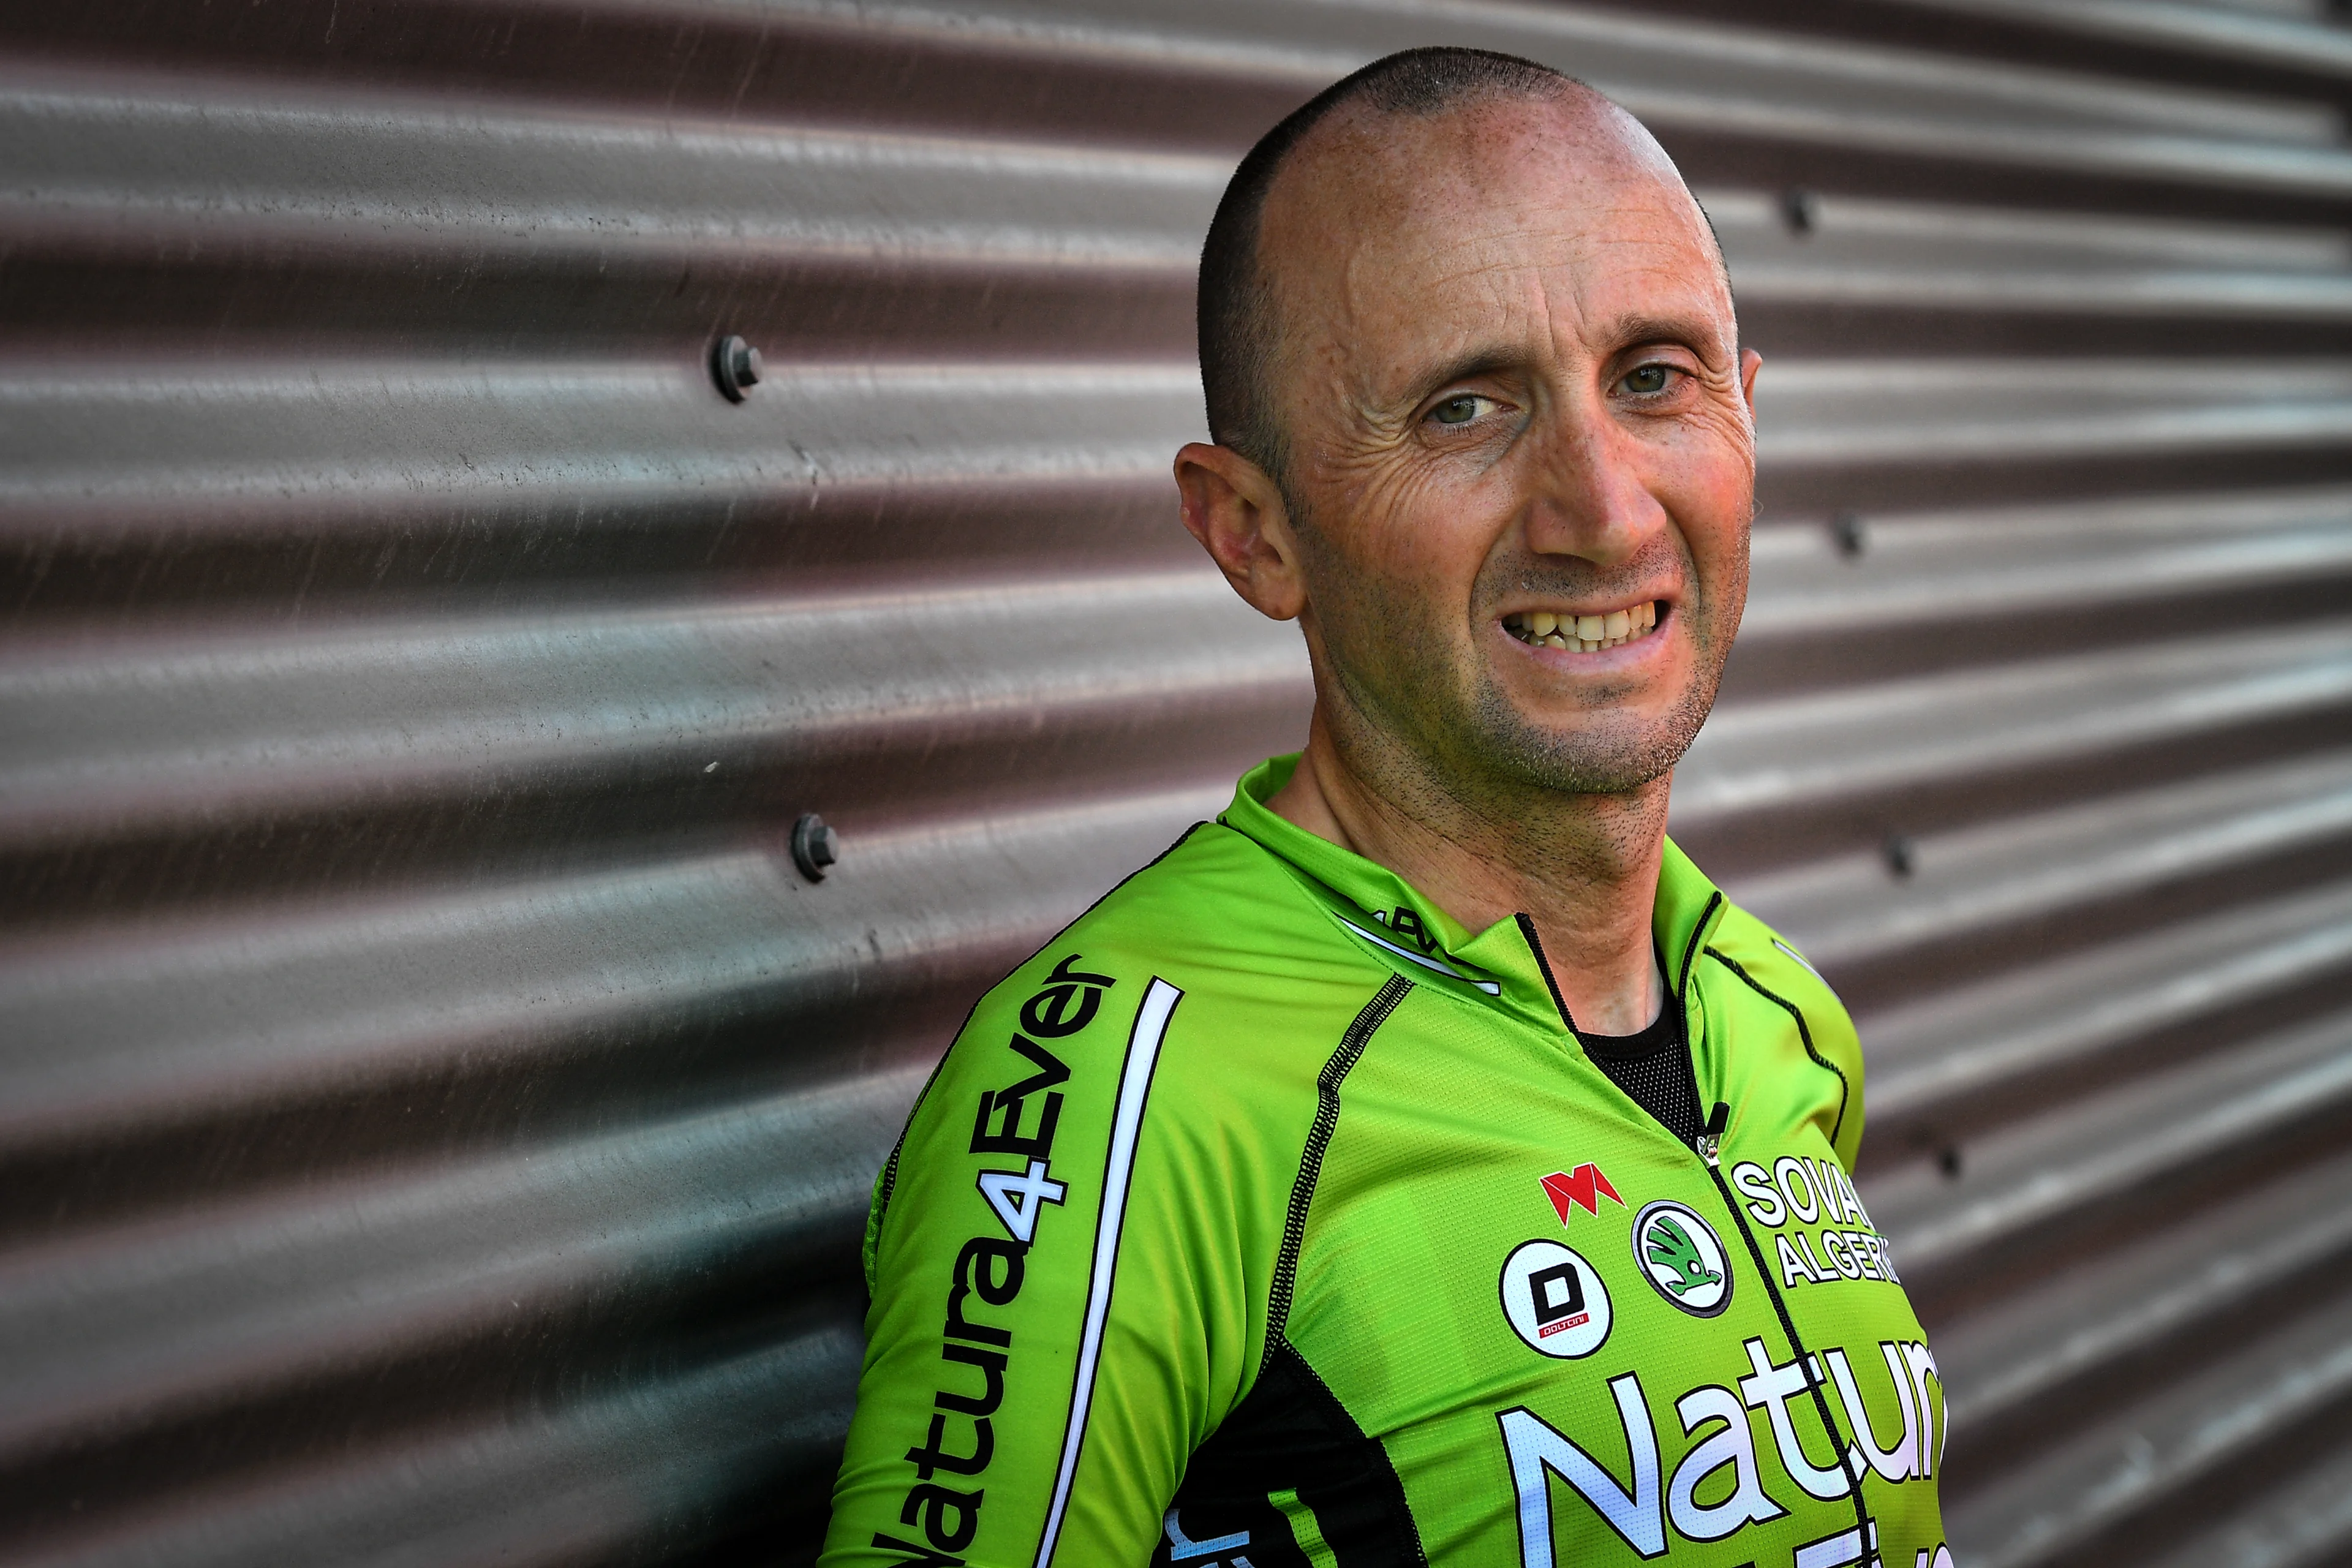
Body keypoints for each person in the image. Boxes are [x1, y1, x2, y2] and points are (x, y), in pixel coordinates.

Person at [821, 45, 1948, 1568]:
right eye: (1463, 410)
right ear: (1254, 533)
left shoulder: (1776, 1009)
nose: (1605, 510)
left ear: (1746, 419)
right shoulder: (1124, 1088)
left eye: (1655, 379)